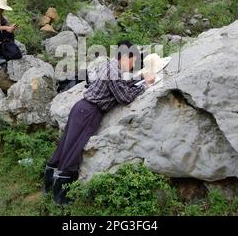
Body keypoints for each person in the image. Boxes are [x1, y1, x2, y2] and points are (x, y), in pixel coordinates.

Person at [44, 41, 156, 205]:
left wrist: (139, 78)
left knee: (64, 148)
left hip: (81, 109)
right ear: (125, 57)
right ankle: (61, 199)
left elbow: (121, 84)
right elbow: (124, 97)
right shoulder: (113, 70)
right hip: (89, 112)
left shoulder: (110, 65)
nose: (133, 65)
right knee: (73, 152)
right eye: (133, 60)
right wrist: (145, 85)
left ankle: (48, 188)